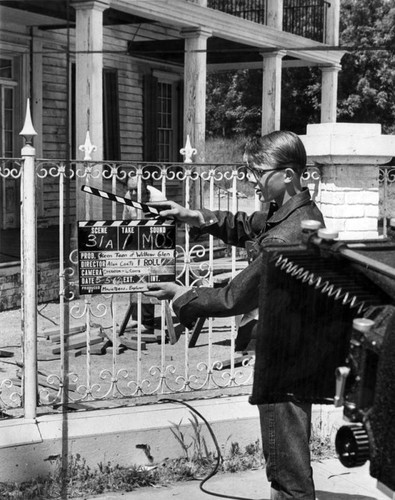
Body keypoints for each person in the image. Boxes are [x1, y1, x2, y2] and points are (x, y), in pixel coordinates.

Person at [144, 130, 325, 500]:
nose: (252, 181)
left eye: (258, 172)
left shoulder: (288, 235)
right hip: (296, 349)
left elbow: (233, 298)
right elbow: (245, 226)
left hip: (285, 361)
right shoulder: (295, 212)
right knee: (285, 457)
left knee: (287, 469)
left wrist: (183, 297)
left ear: (288, 175)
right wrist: (192, 215)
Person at [122, 175, 165, 333]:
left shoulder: (158, 197)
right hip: (136, 238)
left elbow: (166, 224)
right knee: (133, 278)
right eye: (130, 189)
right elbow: (125, 218)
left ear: (145, 188)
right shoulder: (128, 196)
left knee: (148, 280)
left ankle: (147, 323)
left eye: (136, 190)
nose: (132, 194)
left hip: (155, 240)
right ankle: (136, 319)